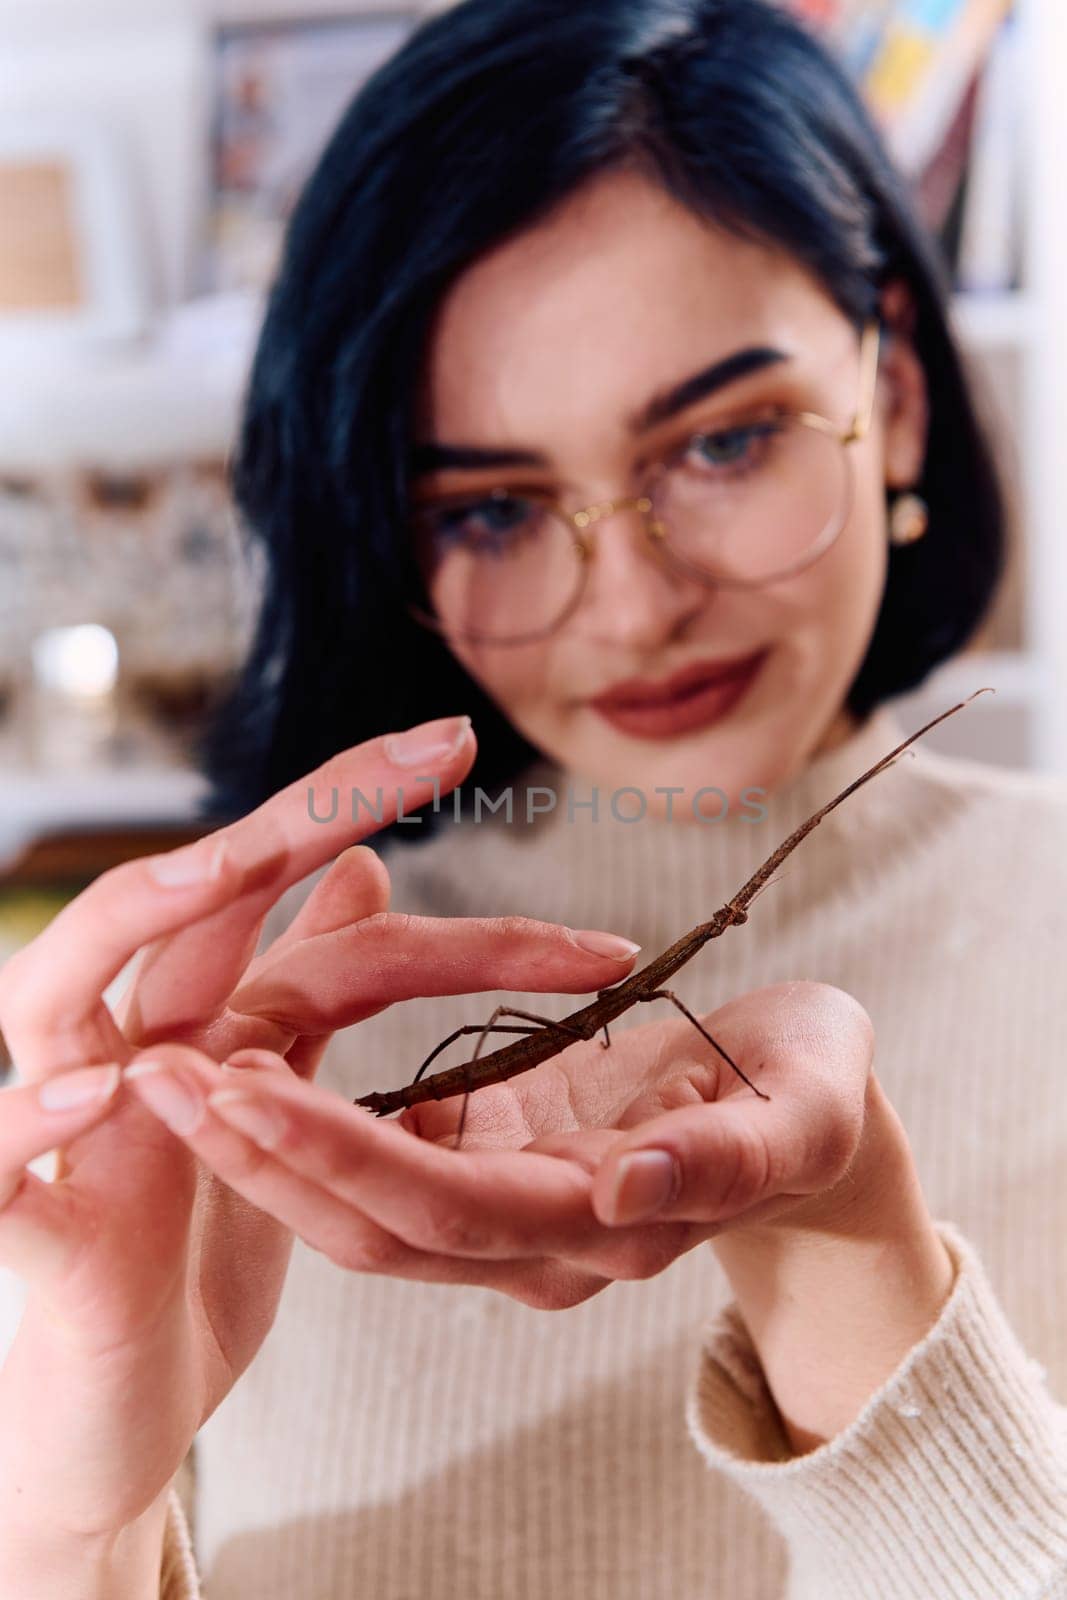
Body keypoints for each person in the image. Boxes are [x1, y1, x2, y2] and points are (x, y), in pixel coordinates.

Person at [1, 2, 1065, 1596]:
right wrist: (69, 1526)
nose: (632, 609)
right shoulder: (262, 1025)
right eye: (492, 508)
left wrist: (847, 1235)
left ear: (899, 391)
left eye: (724, 441)